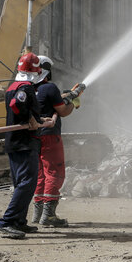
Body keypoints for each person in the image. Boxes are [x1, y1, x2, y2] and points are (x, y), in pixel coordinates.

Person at [0, 52, 54, 239]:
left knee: (22, 183)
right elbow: (16, 105)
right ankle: (7, 222)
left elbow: (18, 107)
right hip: (24, 143)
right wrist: (30, 119)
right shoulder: (26, 87)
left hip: (14, 141)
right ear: (36, 70)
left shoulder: (13, 85)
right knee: (27, 183)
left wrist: (39, 119)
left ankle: (19, 222)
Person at [31, 56, 81, 227]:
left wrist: (65, 96)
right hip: (50, 135)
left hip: (34, 136)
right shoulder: (49, 87)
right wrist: (73, 100)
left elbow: (49, 103)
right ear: (47, 71)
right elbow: (63, 111)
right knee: (54, 172)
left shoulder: (29, 88)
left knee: (40, 175)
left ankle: (37, 214)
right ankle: (49, 215)